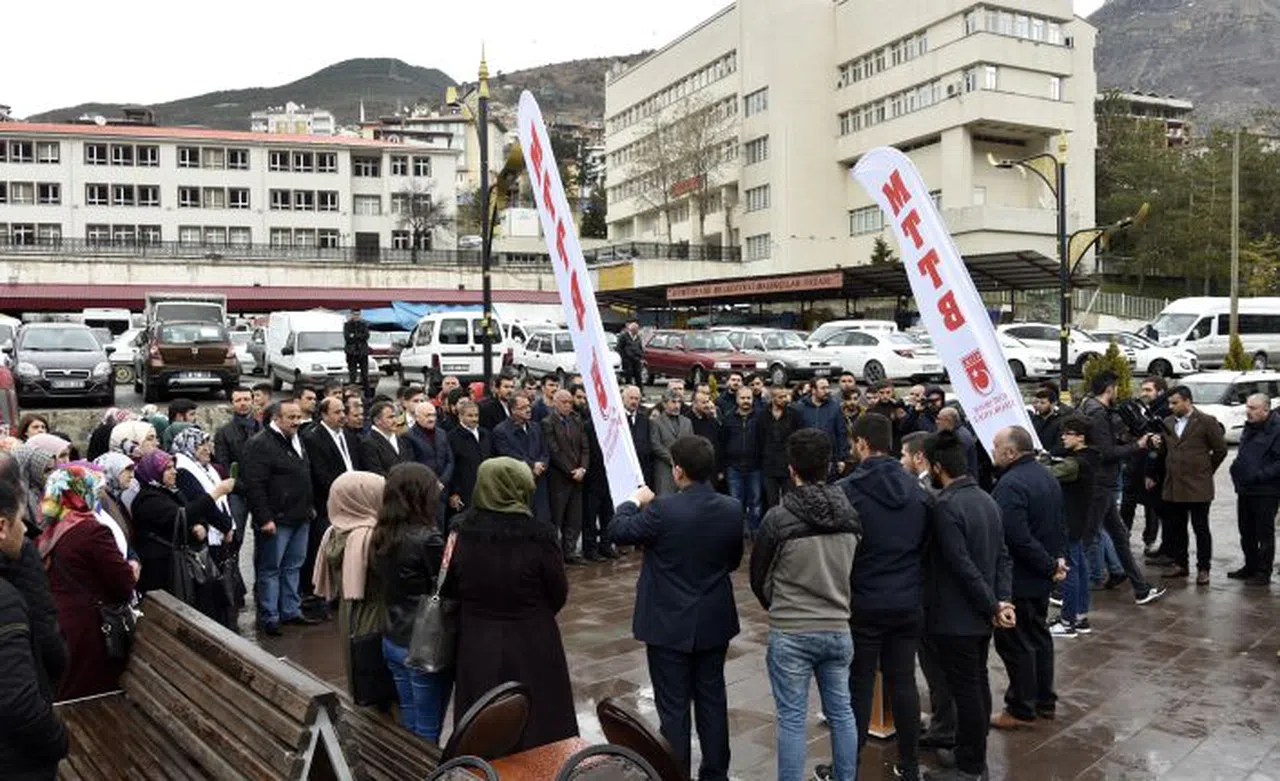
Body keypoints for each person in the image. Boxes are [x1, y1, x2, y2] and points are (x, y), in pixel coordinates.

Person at [611, 436, 743, 781]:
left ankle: (675, 774)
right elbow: (732, 560)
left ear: (678, 470)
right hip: (713, 618)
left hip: (668, 621)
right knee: (712, 701)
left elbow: (618, 530)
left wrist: (632, 500)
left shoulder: (662, 510)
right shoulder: (731, 507)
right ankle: (715, 774)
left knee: (673, 708)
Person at [446, 458, 578, 751]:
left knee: (482, 716)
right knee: (541, 718)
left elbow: (447, 584)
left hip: (478, 637)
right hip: (533, 636)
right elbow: (557, 591)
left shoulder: (459, 530)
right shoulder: (540, 534)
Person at [751, 429, 861, 781]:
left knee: (792, 719)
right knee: (842, 713)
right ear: (829, 466)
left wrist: (779, 604)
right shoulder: (851, 516)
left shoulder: (778, 519)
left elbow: (759, 577)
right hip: (837, 626)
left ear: (791, 469)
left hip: (792, 629)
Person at [837, 413, 928, 779]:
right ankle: (909, 764)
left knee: (859, 686)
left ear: (861, 443)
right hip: (907, 599)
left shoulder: (847, 490)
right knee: (903, 681)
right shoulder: (917, 490)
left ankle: (850, 766)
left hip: (865, 601)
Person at [921, 430, 1014, 781]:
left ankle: (971, 767)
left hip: (958, 616)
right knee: (976, 684)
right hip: (979, 615)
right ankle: (969, 753)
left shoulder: (946, 506)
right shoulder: (986, 499)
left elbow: (961, 565)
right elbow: (1003, 558)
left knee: (968, 691)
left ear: (938, 467)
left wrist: (994, 604)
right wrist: (1000, 601)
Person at [37, 464, 137, 701]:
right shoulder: (91, 530)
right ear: (81, 492)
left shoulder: (52, 528)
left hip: (62, 621)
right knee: (90, 695)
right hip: (91, 628)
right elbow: (122, 584)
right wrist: (131, 569)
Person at [988, 426, 1066, 728]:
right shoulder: (1045, 474)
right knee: (1038, 637)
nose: (992, 450)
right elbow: (1060, 523)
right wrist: (1057, 560)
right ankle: (1044, 700)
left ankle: (1021, 706)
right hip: (1041, 574)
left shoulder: (1011, 485)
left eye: (996, 445)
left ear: (1010, 452)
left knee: (1016, 642)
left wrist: (1050, 564)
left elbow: (1016, 537)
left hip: (1021, 578)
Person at [0, 455, 69, 781]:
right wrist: (58, 741)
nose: (25, 528)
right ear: (2, 526)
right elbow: (17, 702)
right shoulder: (6, 602)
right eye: (19, 520)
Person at [371, 463, 450, 740]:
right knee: (428, 727)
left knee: (410, 716)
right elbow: (444, 585)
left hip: (393, 634)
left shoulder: (382, 532)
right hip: (423, 642)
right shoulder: (427, 538)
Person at [1078, 371, 1166, 605]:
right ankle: (1059, 590)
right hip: (1100, 482)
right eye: (1116, 388)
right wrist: (1138, 444)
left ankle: (1140, 589)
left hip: (1103, 482)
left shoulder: (1093, 408)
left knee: (1119, 535)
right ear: (1109, 389)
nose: (1117, 392)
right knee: (1087, 538)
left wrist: (1134, 438)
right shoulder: (1097, 414)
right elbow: (1106, 453)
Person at [311, 470, 388, 706]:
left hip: (350, 612)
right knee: (378, 684)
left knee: (359, 678)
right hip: (375, 615)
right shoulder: (370, 537)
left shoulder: (334, 532)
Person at [131, 450, 235, 620]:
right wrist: (216, 492)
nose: (174, 472)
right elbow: (180, 516)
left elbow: (194, 513)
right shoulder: (147, 499)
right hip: (164, 571)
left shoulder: (170, 491)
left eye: (174, 467)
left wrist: (201, 526)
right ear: (154, 472)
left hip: (180, 565)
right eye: (168, 468)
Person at [242, 401, 316, 636]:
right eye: (291, 417)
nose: (296, 421)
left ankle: (290, 611)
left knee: (293, 566)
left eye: (298, 417)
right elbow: (254, 485)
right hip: (276, 519)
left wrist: (309, 506)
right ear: (276, 419)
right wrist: (265, 518)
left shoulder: (297, 438)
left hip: (300, 516)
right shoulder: (259, 444)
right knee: (271, 568)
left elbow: (303, 474)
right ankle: (270, 616)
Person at [1156, 385, 1228, 585]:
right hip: (1174, 485)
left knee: (1200, 528)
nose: (1171, 407)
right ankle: (1181, 564)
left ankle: (1203, 568)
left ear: (1188, 401)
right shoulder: (1168, 422)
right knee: (1177, 527)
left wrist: (1206, 470)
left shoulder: (1206, 421)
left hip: (1198, 486)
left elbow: (1220, 450)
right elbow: (1165, 451)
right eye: (1169, 403)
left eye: (1175, 403)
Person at [171, 427, 238, 628]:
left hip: (220, 532)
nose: (207, 449)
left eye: (207, 444)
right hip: (210, 535)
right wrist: (226, 526)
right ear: (188, 446)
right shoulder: (184, 470)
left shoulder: (204, 467)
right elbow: (203, 502)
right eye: (200, 444)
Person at [1048, 416, 1099, 637]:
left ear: (1080, 437)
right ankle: (1079, 617)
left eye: (1067, 433)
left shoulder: (1078, 462)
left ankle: (1068, 621)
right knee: (1079, 568)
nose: (1063, 436)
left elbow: (1051, 474)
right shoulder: (1088, 456)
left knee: (1068, 570)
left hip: (1070, 521)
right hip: (1080, 519)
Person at [1229, 393, 1280, 585]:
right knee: (1246, 530)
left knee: (1264, 533)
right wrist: (1236, 470)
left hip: (1266, 491)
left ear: (1266, 410)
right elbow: (1243, 453)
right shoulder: (1249, 427)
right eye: (1247, 407)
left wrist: (1260, 475)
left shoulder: (1276, 429)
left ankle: (1263, 572)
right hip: (1245, 489)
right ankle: (1250, 565)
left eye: (1253, 408)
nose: (1247, 412)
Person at [1123, 377, 1169, 557]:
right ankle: (1123, 539)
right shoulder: (1143, 410)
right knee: (1127, 505)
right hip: (1135, 466)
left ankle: (1150, 541)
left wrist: (1152, 472)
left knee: (1153, 509)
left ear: (1160, 392)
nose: (1144, 394)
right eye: (1143, 390)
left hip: (1152, 470)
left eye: (1148, 390)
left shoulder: (1164, 412)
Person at [543, 389, 589, 564]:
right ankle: (556, 555)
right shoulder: (548, 423)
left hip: (578, 477)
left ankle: (570, 552)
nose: (568, 405)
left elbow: (585, 447)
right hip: (559, 478)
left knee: (574, 517)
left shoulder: (577, 421)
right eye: (564, 402)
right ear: (555, 403)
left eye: (570, 402)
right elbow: (554, 451)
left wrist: (583, 468)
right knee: (557, 517)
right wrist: (571, 470)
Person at [493, 394, 550, 523]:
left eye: (529, 406)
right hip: (517, 486)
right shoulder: (501, 431)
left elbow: (545, 450)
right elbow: (508, 454)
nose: (528, 409)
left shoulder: (536, 427)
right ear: (513, 410)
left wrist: (541, 465)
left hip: (539, 483)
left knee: (541, 523)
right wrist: (531, 466)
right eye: (523, 407)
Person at [720, 387, 763, 537]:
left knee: (755, 501)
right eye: (743, 398)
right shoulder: (728, 418)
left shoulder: (760, 417)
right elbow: (722, 443)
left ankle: (754, 530)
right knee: (735, 502)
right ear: (737, 399)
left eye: (748, 398)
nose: (746, 401)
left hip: (755, 466)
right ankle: (737, 531)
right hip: (734, 467)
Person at [445, 399, 492, 524]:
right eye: (470, 415)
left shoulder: (485, 434)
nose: (474, 419)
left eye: (476, 415)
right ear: (460, 416)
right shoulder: (452, 437)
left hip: (486, 489)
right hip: (465, 490)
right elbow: (451, 465)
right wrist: (454, 492)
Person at [758, 385, 802, 512]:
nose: (785, 399)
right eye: (781, 397)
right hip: (769, 466)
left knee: (790, 502)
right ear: (772, 399)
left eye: (786, 396)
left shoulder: (794, 415)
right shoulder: (762, 416)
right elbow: (759, 439)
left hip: (788, 466)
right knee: (771, 503)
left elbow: (798, 438)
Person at [794, 377, 848, 478]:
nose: (827, 391)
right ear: (813, 390)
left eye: (828, 388)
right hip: (806, 460)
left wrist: (842, 458)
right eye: (823, 388)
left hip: (829, 460)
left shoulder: (835, 408)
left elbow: (841, 433)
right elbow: (795, 434)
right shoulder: (800, 407)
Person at [651, 390, 694, 497]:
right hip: (665, 470)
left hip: (684, 470)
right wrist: (672, 459)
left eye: (679, 402)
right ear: (664, 404)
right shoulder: (656, 422)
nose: (677, 406)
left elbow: (692, 443)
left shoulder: (687, 422)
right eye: (673, 402)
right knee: (665, 501)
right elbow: (655, 445)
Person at [360, 400, 413, 477]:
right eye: (390, 417)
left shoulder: (401, 439)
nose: (395, 421)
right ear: (377, 421)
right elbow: (376, 472)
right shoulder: (368, 443)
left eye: (395, 416)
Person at [215, 386, 260, 471]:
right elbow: (223, 464)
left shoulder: (264, 429)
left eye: (246, 399)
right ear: (232, 403)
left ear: (253, 401)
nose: (242, 403)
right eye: (238, 400)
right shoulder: (223, 433)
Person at [623, 385, 655, 487]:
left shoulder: (645, 420)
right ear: (623, 399)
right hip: (624, 470)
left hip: (642, 470)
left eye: (636, 399)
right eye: (631, 398)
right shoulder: (617, 419)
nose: (634, 401)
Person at [935, 408, 979, 480]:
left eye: (939, 419)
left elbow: (954, 464)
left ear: (948, 420)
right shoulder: (954, 434)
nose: (936, 422)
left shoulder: (960, 438)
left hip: (964, 483)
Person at [1031, 388, 1070, 455]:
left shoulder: (1061, 421)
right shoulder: (1033, 420)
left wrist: (1048, 454)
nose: (1038, 405)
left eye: (1042, 403)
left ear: (1053, 404)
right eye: (1037, 402)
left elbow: (1061, 445)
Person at [344, 309, 371, 395]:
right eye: (354, 314)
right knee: (352, 375)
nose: (356, 316)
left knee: (365, 375)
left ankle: (368, 395)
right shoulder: (347, 325)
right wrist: (358, 336)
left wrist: (354, 336)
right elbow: (347, 337)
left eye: (358, 314)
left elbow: (366, 336)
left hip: (362, 352)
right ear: (351, 315)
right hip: (351, 352)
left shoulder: (364, 324)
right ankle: (352, 393)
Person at [617, 319, 645, 387]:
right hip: (628, 360)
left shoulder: (638, 337)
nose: (637, 331)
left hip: (636, 359)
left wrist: (641, 356)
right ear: (631, 329)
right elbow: (619, 348)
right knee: (628, 376)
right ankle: (628, 389)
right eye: (635, 329)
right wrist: (624, 357)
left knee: (638, 376)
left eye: (637, 329)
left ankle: (640, 390)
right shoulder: (624, 336)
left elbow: (640, 347)